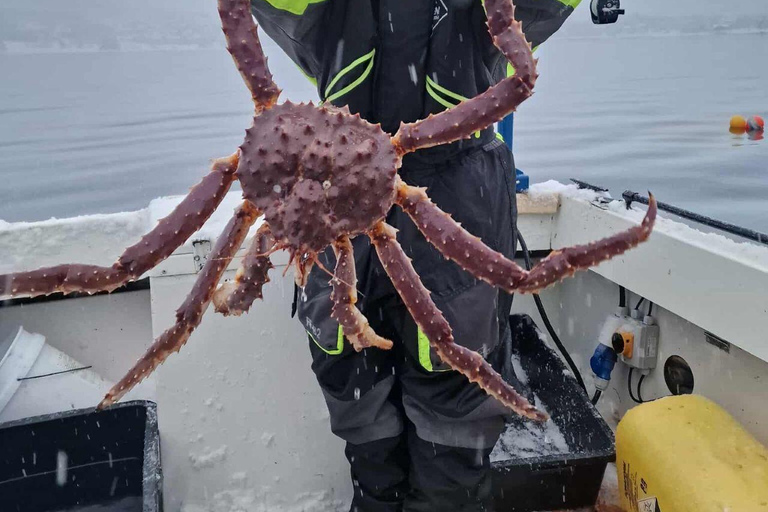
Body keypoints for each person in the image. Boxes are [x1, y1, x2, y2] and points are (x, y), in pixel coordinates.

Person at [249, 0, 579, 510]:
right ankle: (376, 497)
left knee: (455, 405)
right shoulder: (325, 14)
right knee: (350, 378)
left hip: (457, 197)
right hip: (337, 195)